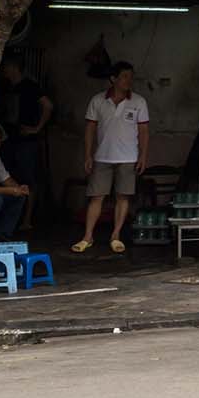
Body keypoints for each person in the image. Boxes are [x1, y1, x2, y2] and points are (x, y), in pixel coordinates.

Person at [76, 62, 149, 254]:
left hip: (128, 157)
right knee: (96, 197)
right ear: (113, 79)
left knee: (122, 197)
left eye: (130, 76)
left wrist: (142, 155)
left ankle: (115, 236)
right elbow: (90, 129)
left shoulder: (139, 101)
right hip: (102, 156)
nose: (128, 80)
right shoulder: (98, 101)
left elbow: (143, 131)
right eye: (124, 76)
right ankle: (87, 236)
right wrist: (88, 155)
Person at [0, 53, 52, 205]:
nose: (3, 70)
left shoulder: (30, 86)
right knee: (7, 176)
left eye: (6, 67)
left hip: (26, 139)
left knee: (27, 177)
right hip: (7, 138)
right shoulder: (5, 87)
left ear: (14, 67)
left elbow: (48, 105)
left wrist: (37, 128)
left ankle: (27, 219)